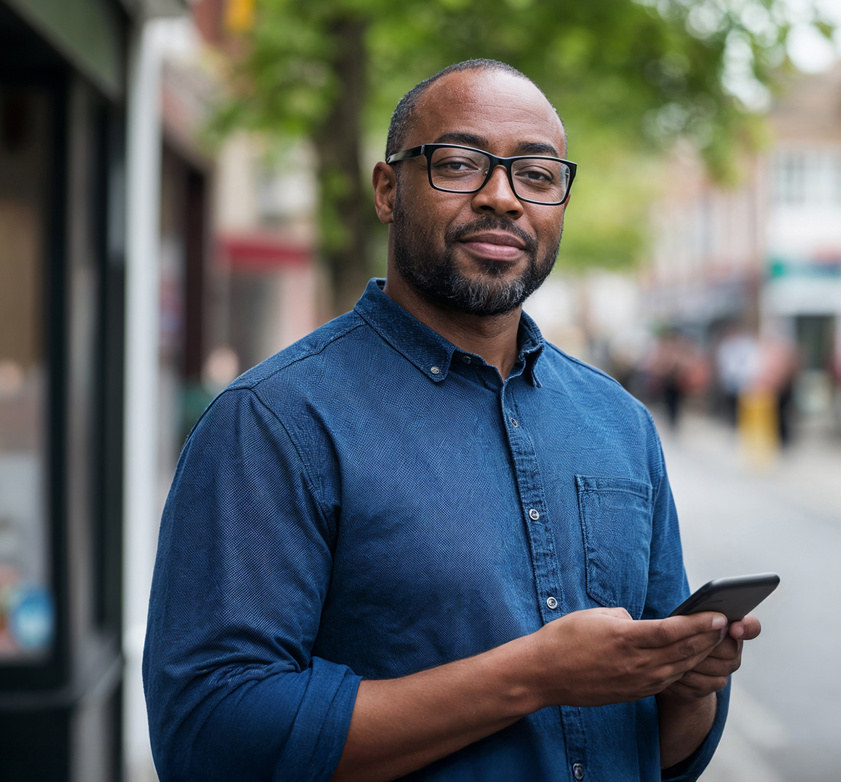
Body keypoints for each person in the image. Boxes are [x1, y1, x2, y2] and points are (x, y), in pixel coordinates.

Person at [143, 60, 762, 782]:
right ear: (387, 189)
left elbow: (652, 748)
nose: (503, 198)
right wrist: (534, 676)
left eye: (536, 176)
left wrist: (690, 692)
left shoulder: (619, 422)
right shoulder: (273, 423)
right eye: (461, 165)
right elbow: (210, 736)